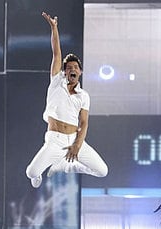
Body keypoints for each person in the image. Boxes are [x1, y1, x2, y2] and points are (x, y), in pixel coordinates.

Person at [25, 11, 108, 188]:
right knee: (30, 172)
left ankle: (67, 167)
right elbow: (56, 53)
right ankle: (44, 171)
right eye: (68, 67)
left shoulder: (83, 96)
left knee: (102, 171)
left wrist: (77, 146)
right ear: (64, 71)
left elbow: (84, 123)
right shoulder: (57, 81)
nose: (72, 69)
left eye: (75, 67)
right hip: (55, 141)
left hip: (74, 139)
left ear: (80, 72)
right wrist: (54, 28)